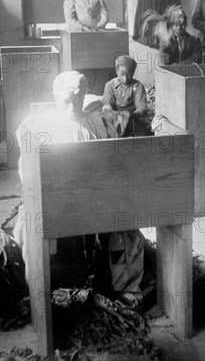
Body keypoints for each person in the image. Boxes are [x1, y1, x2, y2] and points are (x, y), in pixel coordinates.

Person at [14, 71, 146, 305]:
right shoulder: (37, 125)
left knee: (126, 227)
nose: (71, 108)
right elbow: (27, 172)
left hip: (95, 199)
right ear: (55, 97)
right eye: (66, 101)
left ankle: (126, 287)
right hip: (54, 200)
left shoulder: (98, 123)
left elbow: (115, 165)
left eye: (77, 100)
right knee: (27, 224)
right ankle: (37, 290)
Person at [102, 56, 149, 137]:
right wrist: (115, 116)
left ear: (133, 72)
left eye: (129, 74)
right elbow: (107, 105)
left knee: (142, 132)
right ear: (117, 71)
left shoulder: (138, 86)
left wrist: (131, 116)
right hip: (114, 118)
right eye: (122, 74)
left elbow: (142, 107)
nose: (125, 78)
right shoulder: (110, 85)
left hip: (133, 118)